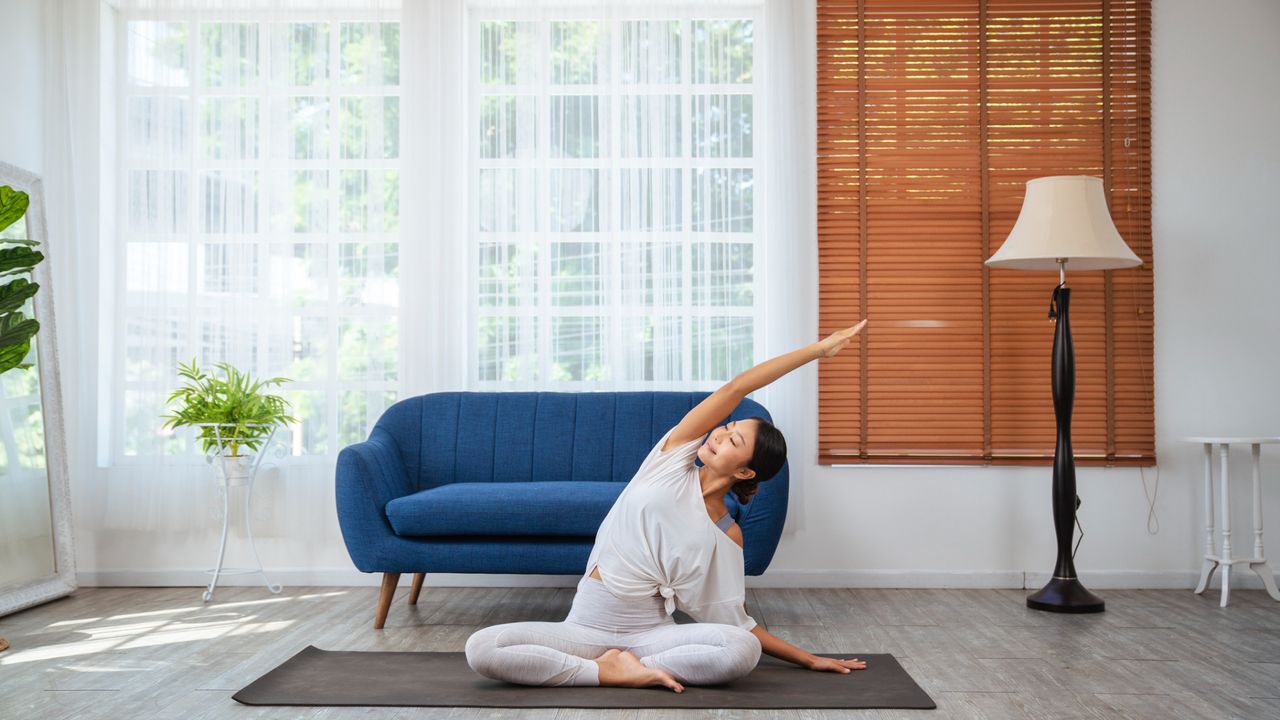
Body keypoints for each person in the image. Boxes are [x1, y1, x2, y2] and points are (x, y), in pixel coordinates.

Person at [465, 320, 870, 692]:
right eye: (727, 427)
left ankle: (632, 665)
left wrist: (809, 659)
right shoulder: (671, 460)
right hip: (585, 626)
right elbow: (735, 390)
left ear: (747, 473)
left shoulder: (727, 533)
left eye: (733, 441)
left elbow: (737, 623)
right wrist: (818, 350)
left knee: (739, 651)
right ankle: (607, 671)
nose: (719, 434)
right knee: (482, 647)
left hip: (649, 637)